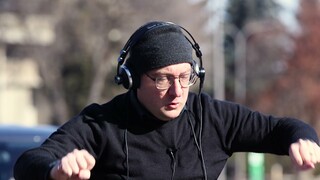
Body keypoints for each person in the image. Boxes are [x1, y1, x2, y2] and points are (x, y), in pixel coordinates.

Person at [14, 21, 320, 180]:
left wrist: (302, 139)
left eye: (185, 77)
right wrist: (55, 169)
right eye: (162, 78)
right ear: (131, 79)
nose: (177, 91)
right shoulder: (101, 123)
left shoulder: (212, 117)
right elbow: (28, 162)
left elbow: (281, 128)